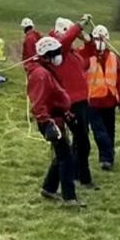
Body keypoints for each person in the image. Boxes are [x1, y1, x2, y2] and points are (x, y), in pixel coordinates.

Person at [27, 36, 83, 208]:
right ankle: (69, 198)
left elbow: (53, 98)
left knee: (61, 156)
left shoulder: (46, 70)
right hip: (51, 122)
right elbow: (39, 103)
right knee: (66, 157)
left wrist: (65, 112)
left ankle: (49, 189)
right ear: (47, 54)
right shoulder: (41, 75)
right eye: (57, 53)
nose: (60, 56)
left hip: (58, 117)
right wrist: (48, 123)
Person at [51, 15, 99, 191]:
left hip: (82, 102)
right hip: (69, 104)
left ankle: (77, 173)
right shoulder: (57, 52)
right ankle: (82, 177)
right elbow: (64, 41)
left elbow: (90, 53)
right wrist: (79, 25)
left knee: (81, 140)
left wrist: (87, 39)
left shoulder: (73, 55)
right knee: (81, 141)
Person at [85, 25, 120, 171]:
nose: (100, 42)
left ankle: (107, 159)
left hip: (110, 101)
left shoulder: (114, 58)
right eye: (97, 39)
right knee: (99, 132)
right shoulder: (87, 56)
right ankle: (107, 153)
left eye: (102, 39)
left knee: (109, 131)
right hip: (93, 101)